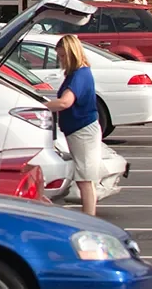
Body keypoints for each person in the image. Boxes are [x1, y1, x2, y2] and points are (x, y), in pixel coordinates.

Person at [45, 35, 101, 216]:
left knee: (85, 179)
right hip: (78, 130)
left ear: (71, 54)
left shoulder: (80, 75)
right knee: (84, 178)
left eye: (62, 57)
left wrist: (41, 106)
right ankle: (89, 217)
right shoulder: (78, 74)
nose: (61, 60)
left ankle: (89, 219)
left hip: (83, 131)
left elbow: (65, 103)